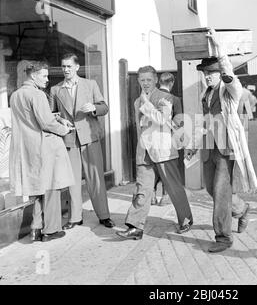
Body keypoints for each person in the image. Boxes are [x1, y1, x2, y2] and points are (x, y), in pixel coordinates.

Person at [185, 29, 257, 253]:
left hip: (226, 149)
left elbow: (230, 76)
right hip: (208, 148)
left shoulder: (229, 91)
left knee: (220, 191)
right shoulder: (205, 95)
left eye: (211, 72)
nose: (207, 76)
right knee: (212, 189)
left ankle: (223, 238)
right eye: (205, 72)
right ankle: (242, 209)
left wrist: (220, 50)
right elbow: (203, 123)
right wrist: (193, 145)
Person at [116, 65, 193, 240]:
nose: (145, 83)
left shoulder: (165, 97)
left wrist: (146, 103)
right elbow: (139, 128)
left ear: (156, 80)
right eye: (142, 80)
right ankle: (135, 226)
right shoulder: (137, 101)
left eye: (149, 80)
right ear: (138, 81)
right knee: (142, 190)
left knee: (174, 189)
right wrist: (138, 150)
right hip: (144, 152)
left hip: (163, 150)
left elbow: (162, 118)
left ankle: (186, 219)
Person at [9, 61, 74, 242]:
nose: (47, 80)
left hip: (27, 148)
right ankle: (51, 230)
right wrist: (65, 129)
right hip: (44, 147)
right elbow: (46, 123)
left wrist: (57, 117)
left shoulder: (15, 95)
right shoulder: (37, 94)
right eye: (44, 76)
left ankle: (35, 228)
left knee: (37, 190)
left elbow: (31, 118)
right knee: (52, 188)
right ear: (33, 75)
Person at [50, 53, 115, 230]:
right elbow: (51, 115)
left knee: (96, 178)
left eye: (69, 66)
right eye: (63, 66)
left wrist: (94, 108)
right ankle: (75, 217)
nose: (66, 70)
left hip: (90, 138)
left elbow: (104, 107)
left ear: (77, 67)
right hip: (69, 139)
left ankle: (104, 215)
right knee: (72, 181)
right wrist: (60, 120)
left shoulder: (90, 84)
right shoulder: (56, 90)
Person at [151, 72, 181, 206]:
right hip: (166, 138)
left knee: (153, 166)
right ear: (172, 83)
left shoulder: (150, 97)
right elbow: (179, 121)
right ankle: (165, 196)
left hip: (150, 138)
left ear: (159, 83)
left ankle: (151, 196)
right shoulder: (174, 99)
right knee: (167, 166)